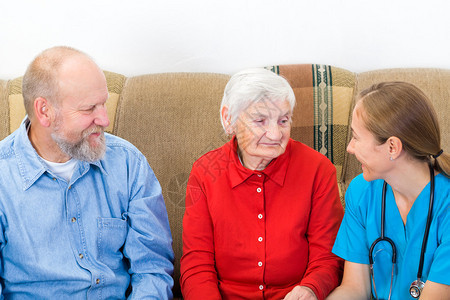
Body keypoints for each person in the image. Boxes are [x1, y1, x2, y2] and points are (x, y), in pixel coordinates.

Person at [0, 46, 174, 299]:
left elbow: (152, 268)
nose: (104, 120)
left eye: (103, 104)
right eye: (89, 108)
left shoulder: (127, 163)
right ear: (44, 111)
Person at [180, 68, 344, 300]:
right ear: (229, 119)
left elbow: (327, 257)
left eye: (283, 120)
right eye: (260, 120)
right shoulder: (204, 172)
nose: (275, 134)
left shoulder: (318, 169)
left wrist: (310, 289)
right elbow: (197, 261)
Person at [326, 82, 450, 300]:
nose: (349, 148)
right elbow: (355, 288)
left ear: (392, 147)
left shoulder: (445, 203)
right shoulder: (361, 191)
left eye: (355, 137)